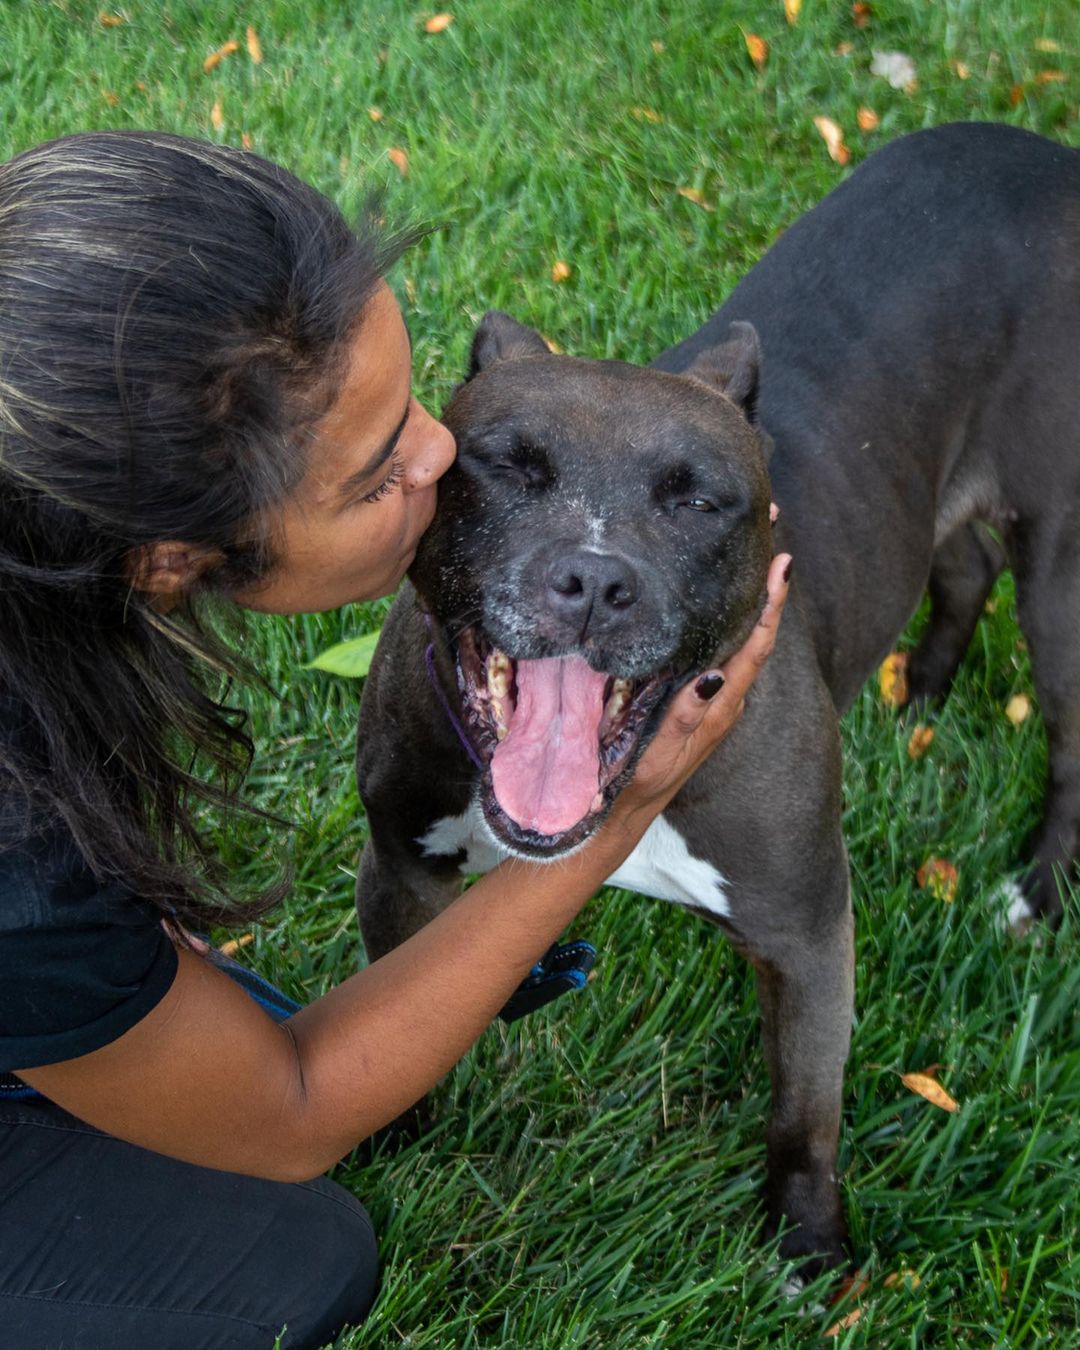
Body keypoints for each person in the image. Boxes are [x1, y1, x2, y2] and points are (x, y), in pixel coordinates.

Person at [0, 130, 791, 1348]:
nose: (440, 451)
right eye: (377, 475)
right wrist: (616, 819)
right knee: (286, 1255)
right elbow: (296, 1109)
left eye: (420, 404)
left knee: (223, 1021)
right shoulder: (19, 849)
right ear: (166, 557)